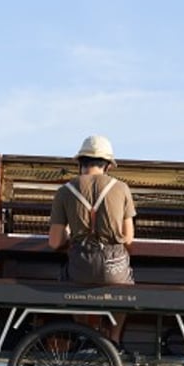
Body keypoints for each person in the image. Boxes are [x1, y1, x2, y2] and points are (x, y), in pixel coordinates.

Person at [49, 135, 136, 341]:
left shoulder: (64, 191)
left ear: (80, 162)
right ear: (108, 165)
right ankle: (114, 339)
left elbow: (54, 242)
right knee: (126, 285)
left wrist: (69, 236)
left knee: (68, 281)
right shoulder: (121, 188)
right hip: (114, 267)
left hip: (81, 266)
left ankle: (85, 334)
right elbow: (128, 240)